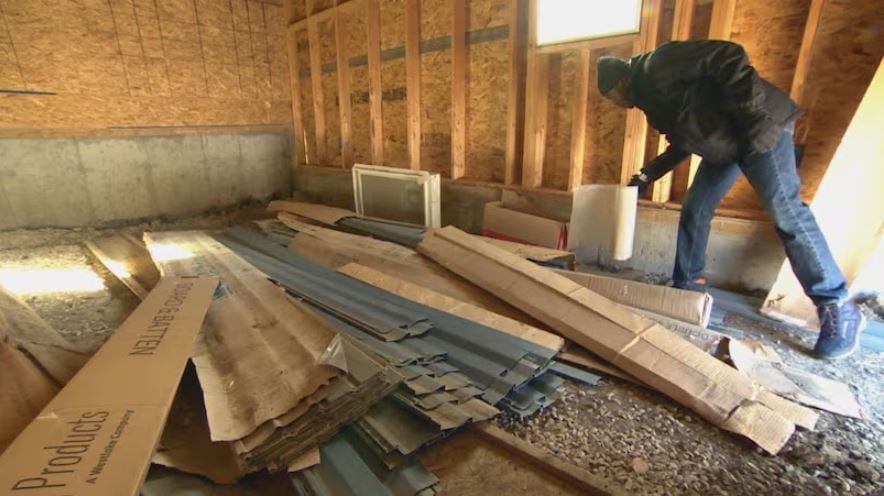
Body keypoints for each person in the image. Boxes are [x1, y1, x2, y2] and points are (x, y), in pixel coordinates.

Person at [596, 40, 865, 359]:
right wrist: (647, 175)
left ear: (621, 81)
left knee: (786, 213)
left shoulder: (659, 64)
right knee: (696, 209)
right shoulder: (652, 102)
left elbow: (728, 55)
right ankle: (687, 288)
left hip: (760, 129)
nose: (614, 104)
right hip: (726, 147)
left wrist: (754, 120)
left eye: (611, 96)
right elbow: (683, 143)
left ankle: (838, 306)